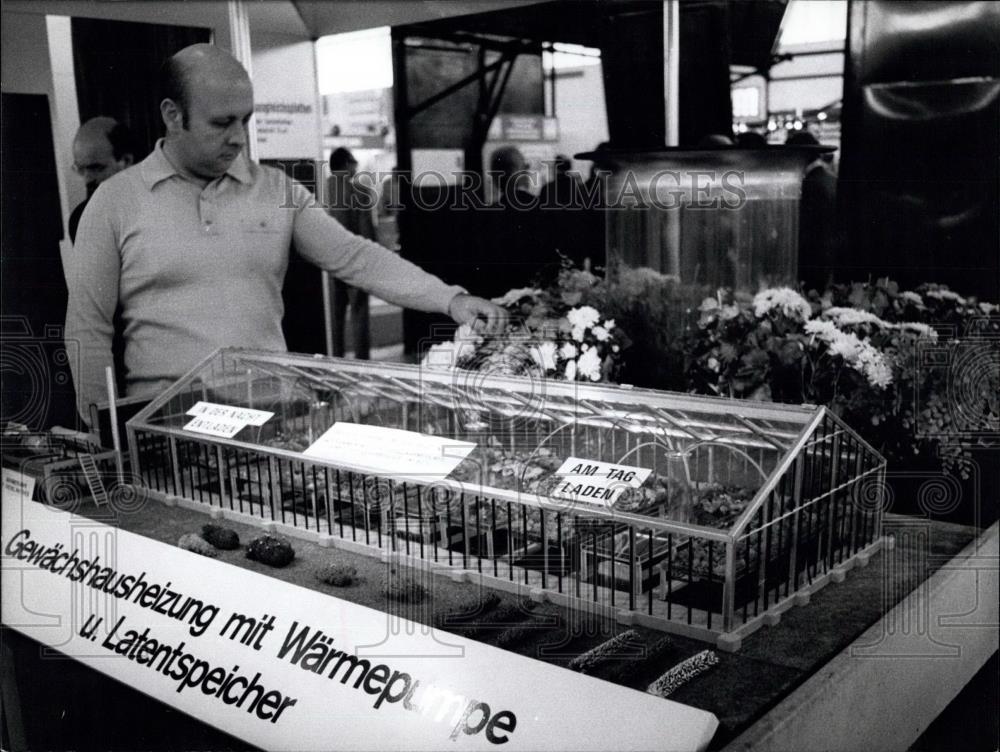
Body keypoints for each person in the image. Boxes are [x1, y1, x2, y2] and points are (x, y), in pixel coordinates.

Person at [64, 44, 506, 420]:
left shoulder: (276, 189)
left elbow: (355, 256)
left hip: (276, 417)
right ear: (172, 115)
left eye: (246, 120)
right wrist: (106, 435)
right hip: (172, 423)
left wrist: (450, 298)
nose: (239, 137)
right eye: (222, 122)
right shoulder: (114, 202)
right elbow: (87, 328)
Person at [326, 147, 374, 359]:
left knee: (334, 318)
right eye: (354, 163)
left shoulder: (322, 188)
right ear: (347, 164)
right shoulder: (359, 191)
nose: (356, 167)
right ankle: (362, 362)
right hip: (355, 262)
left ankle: (336, 359)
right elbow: (366, 230)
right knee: (359, 313)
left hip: (328, 262)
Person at [68, 117, 136, 243]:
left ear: (126, 161)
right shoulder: (80, 219)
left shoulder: (158, 208)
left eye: (95, 167)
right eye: (80, 169)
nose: (87, 180)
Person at [786, 130, 838, 288]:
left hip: (813, 262)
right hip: (828, 259)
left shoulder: (811, 184)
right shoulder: (830, 179)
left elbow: (807, 231)